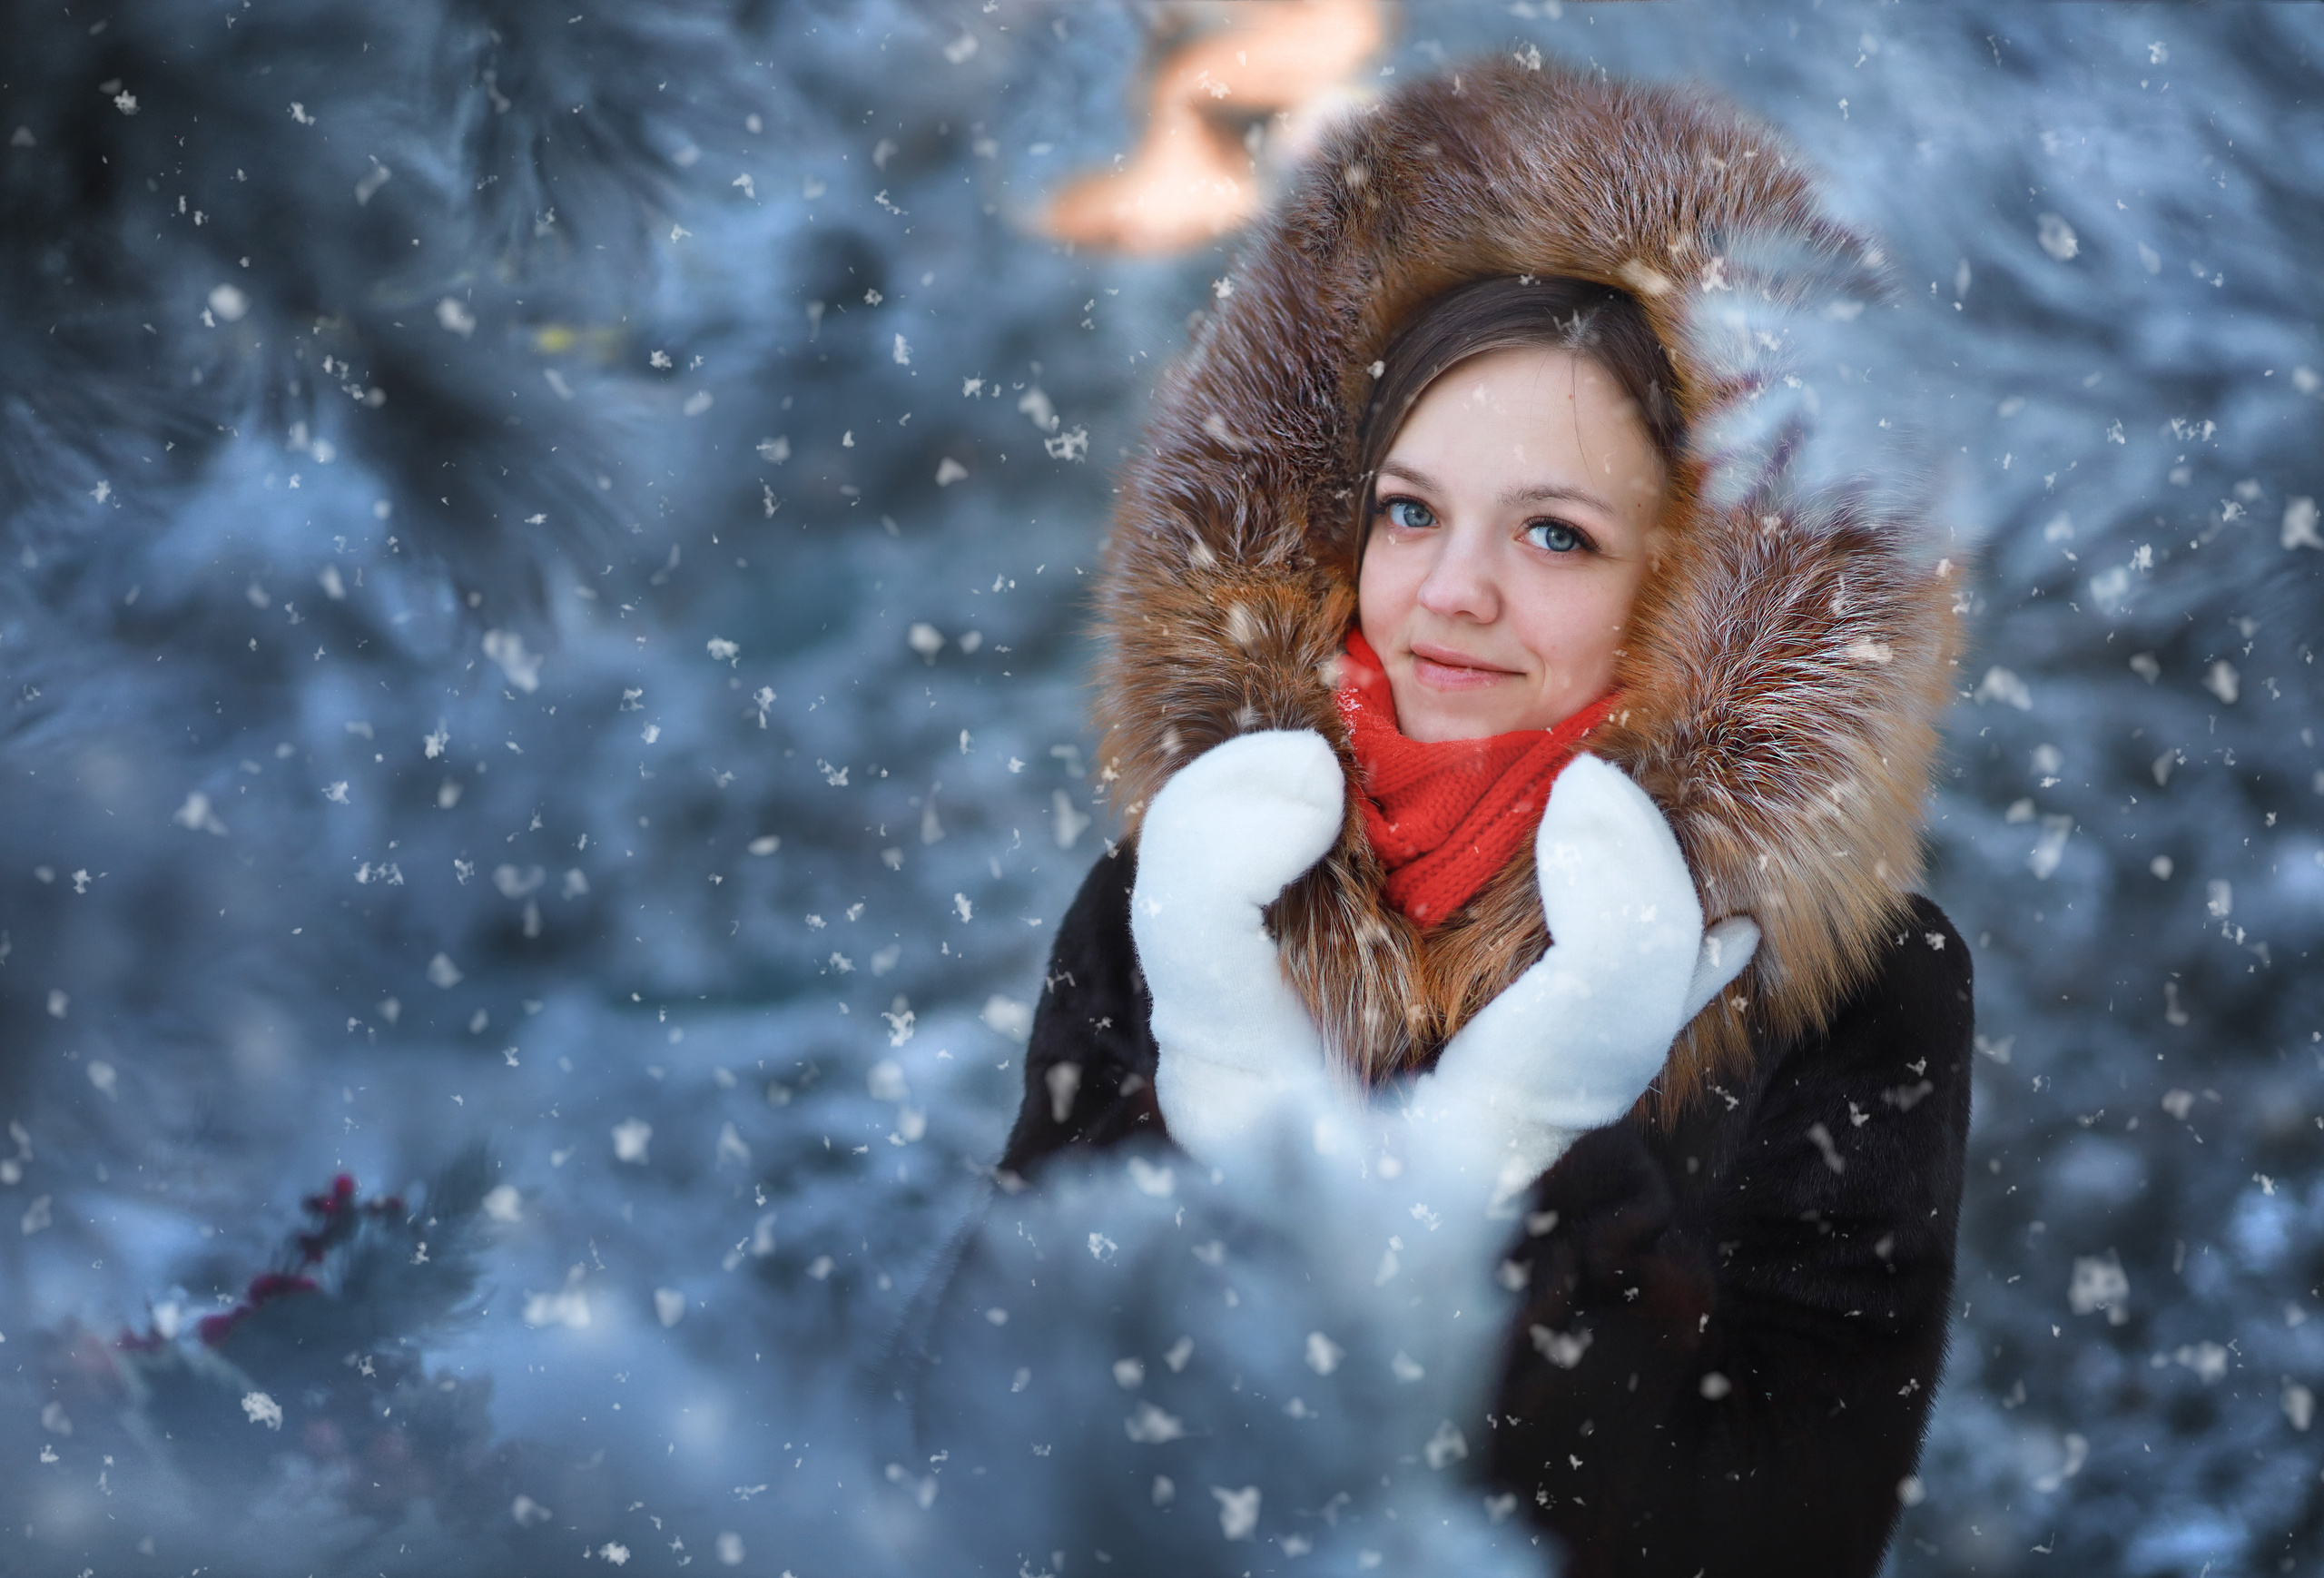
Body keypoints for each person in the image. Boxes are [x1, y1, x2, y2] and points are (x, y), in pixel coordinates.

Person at [994, 54, 1972, 1578]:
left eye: (1558, 534)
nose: (1452, 591)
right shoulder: (1179, 900)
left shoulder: (1853, 986)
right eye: (1409, 508)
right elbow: (977, 1436)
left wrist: (1538, 1199)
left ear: (1690, 589)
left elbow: (1790, 1535)